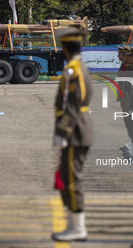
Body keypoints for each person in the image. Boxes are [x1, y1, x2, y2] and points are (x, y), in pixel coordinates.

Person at [51, 28, 91, 242]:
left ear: (64, 48)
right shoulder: (79, 67)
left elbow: (71, 105)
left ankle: (77, 226)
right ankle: (74, 224)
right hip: (79, 129)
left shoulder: (72, 70)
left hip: (75, 131)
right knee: (69, 177)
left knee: (72, 179)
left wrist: (63, 132)